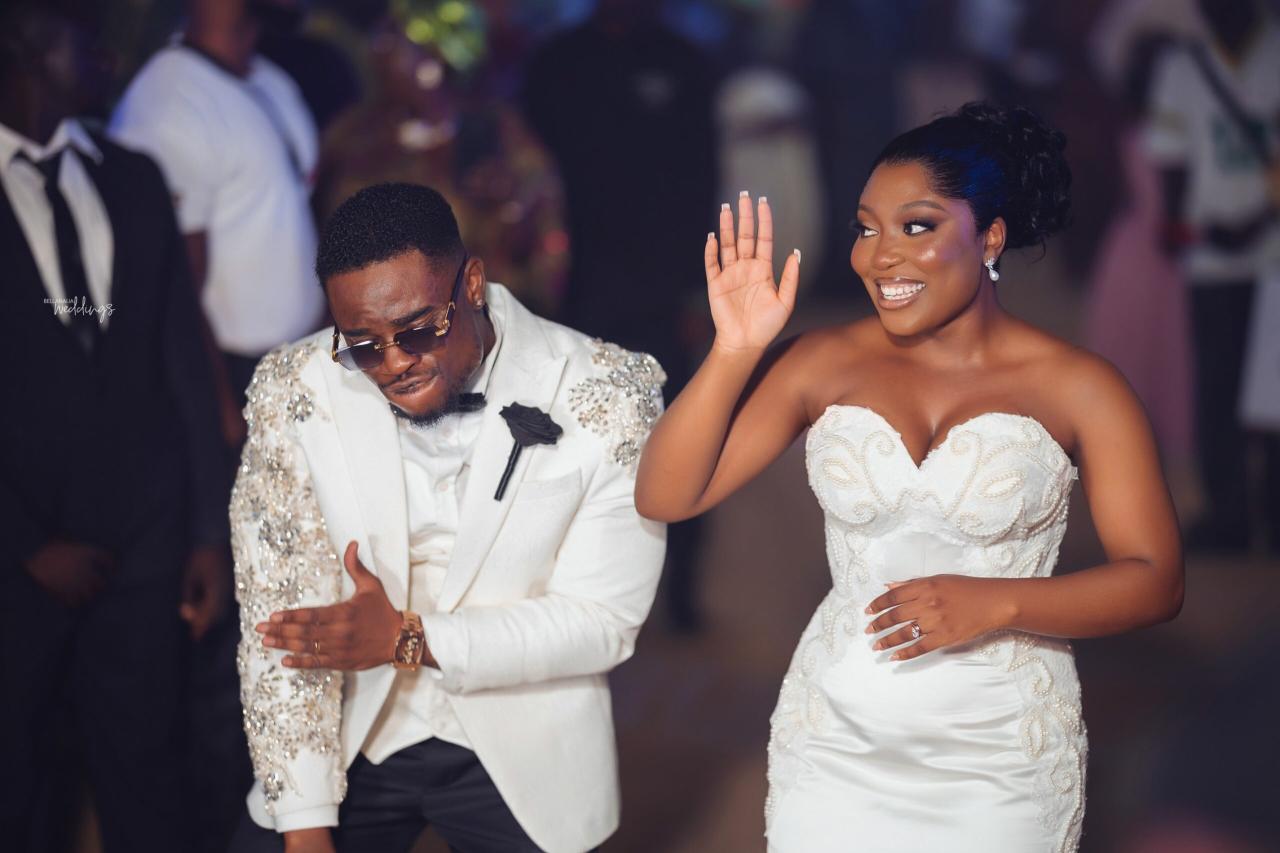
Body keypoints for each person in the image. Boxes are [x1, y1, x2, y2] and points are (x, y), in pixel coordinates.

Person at [635, 103, 1185, 852]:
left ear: (990, 237)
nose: (879, 257)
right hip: (837, 730)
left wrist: (998, 602)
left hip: (1001, 749)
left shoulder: (1081, 388)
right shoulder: (820, 362)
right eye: (866, 229)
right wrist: (734, 350)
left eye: (915, 227)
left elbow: (1156, 581)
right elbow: (665, 495)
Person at [228, 183, 666, 853]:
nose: (394, 363)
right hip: (349, 732)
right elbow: (280, 617)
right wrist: (305, 826)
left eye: (417, 330)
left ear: (473, 284)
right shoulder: (295, 386)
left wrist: (408, 638)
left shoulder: (606, 389)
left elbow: (602, 622)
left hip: (526, 744)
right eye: (363, 345)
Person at [0, 2, 230, 850]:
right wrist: (24, 544)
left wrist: (205, 533)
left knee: (147, 777)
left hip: (144, 543)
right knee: (19, 790)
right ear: (23, 49)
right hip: (17, 561)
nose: (102, 56)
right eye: (79, 40)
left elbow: (180, 361)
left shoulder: (131, 177)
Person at [523, 0, 718, 631]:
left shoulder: (683, 62)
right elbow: (527, 179)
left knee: (683, 435)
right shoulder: (556, 63)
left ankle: (682, 592)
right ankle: (579, 587)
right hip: (575, 295)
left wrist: (700, 293)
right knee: (575, 442)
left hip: (664, 292)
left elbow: (703, 181)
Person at [110, 0, 326, 424]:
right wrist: (222, 412)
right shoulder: (169, 103)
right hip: (239, 380)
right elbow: (175, 287)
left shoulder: (268, 77)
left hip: (306, 359)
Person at [1145, 0, 1280, 552]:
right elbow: (1171, 159)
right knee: (1221, 389)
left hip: (1266, 254)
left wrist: (1253, 222)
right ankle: (1230, 513)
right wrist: (1178, 224)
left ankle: (1262, 513)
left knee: (1263, 390)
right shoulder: (1182, 67)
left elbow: (1171, 159)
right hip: (1213, 254)